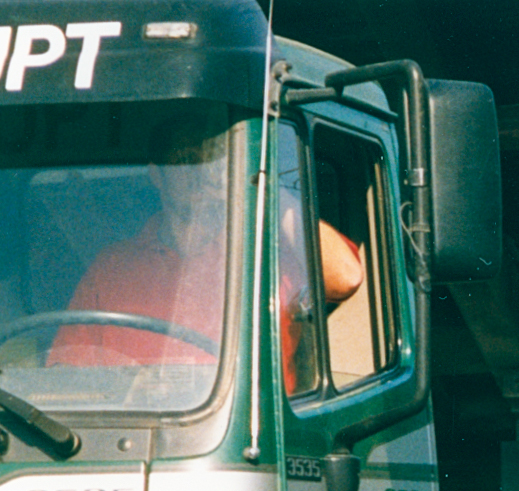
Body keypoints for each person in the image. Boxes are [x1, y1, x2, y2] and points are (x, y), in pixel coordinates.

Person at [51, 114, 361, 373]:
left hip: (248, 438)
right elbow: (67, 368)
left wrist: (260, 187)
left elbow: (345, 278)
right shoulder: (113, 266)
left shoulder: (262, 252)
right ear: (156, 175)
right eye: (186, 159)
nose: (201, 172)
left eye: (213, 159)